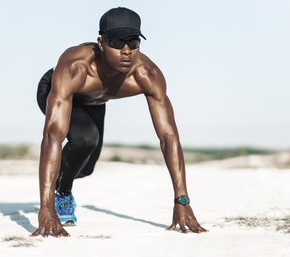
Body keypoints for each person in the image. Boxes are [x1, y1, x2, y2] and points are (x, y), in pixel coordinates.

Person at [31, 7, 206, 237]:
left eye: (133, 43)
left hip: (95, 102)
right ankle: (61, 194)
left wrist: (182, 199)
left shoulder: (146, 74)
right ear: (101, 43)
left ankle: (64, 181)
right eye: (117, 42)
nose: (126, 51)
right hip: (59, 92)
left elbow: (168, 136)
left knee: (87, 167)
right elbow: (53, 137)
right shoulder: (75, 67)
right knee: (85, 140)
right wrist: (45, 208)